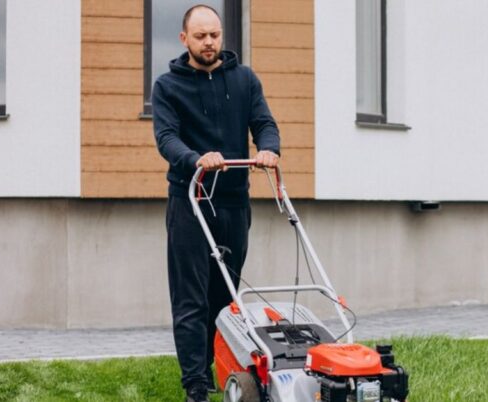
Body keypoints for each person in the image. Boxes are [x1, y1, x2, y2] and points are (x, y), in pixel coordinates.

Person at [151, 4, 280, 402]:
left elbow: (263, 123)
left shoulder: (243, 79)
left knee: (224, 297)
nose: (209, 43)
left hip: (233, 203)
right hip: (190, 201)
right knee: (191, 296)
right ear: (184, 39)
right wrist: (196, 158)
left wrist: (269, 149)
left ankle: (218, 364)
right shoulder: (167, 87)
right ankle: (195, 382)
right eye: (201, 36)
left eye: (215, 35)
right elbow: (166, 139)